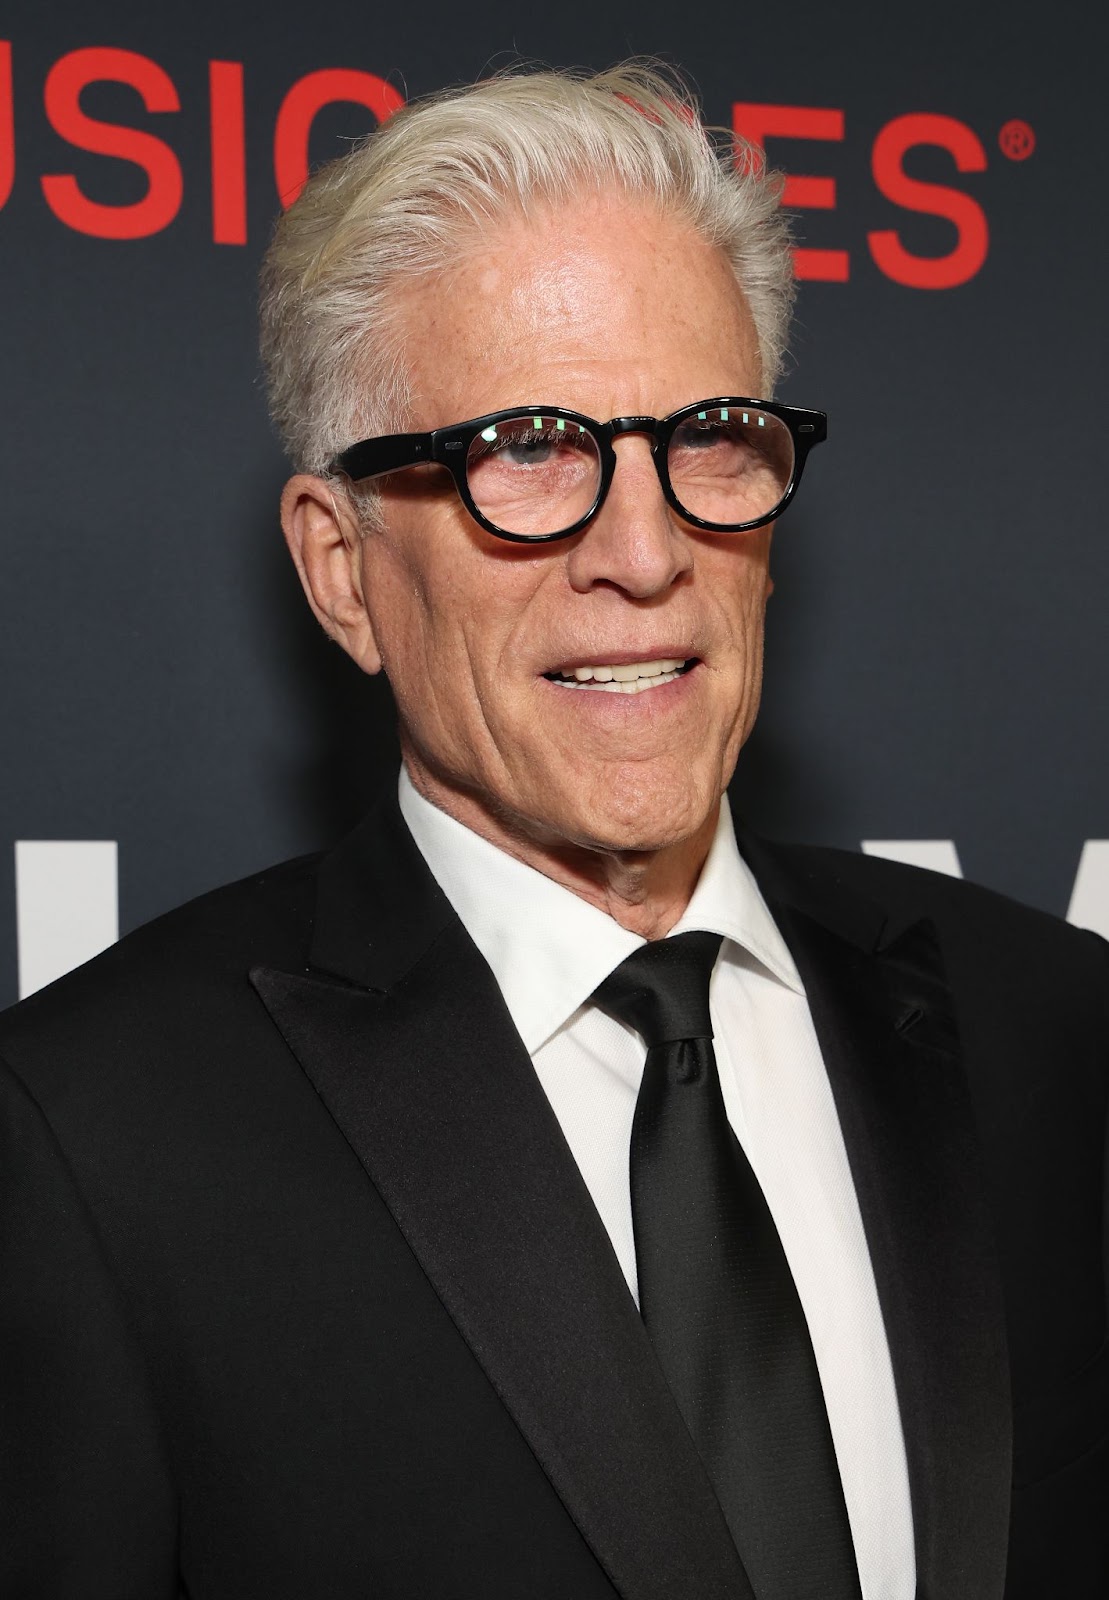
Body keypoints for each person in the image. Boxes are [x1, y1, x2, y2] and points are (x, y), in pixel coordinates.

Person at [1, 61, 1105, 1600]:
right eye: (527, 448)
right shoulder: (84, 1140)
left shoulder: (1058, 1031)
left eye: (708, 435)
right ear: (340, 569)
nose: (646, 553)